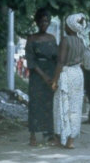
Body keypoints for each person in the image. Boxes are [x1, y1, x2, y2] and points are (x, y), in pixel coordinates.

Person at [51, 13, 86, 149]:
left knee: (62, 105)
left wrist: (54, 81)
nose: (65, 27)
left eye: (66, 25)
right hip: (78, 74)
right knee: (75, 107)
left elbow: (60, 62)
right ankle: (71, 140)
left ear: (70, 26)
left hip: (67, 74)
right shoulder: (82, 41)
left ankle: (60, 138)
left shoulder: (65, 40)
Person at [26, 8, 57, 146]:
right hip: (37, 76)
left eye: (47, 21)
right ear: (37, 22)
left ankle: (49, 133)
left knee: (50, 104)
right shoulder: (32, 39)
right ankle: (33, 135)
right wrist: (44, 76)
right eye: (42, 21)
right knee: (35, 104)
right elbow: (31, 61)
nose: (44, 24)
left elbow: (57, 58)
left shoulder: (52, 38)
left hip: (51, 73)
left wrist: (55, 77)